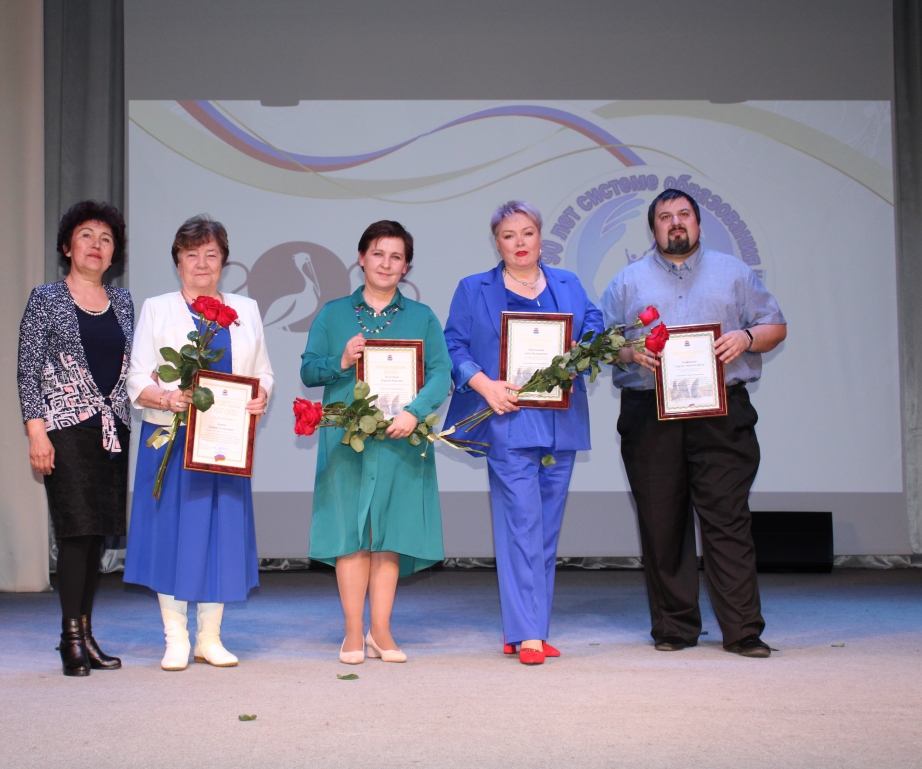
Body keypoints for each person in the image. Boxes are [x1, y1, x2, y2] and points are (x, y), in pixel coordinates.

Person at [600, 188, 787, 658]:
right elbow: (600, 344)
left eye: (684, 214)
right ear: (654, 228)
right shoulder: (627, 281)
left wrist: (746, 337)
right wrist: (630, 352)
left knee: (728, 520)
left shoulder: (734, 273)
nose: (675, 222)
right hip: (649, 414)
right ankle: (674, 627)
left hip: (722, 413)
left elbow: (775, 326)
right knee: (661, 523)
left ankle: (743, 631)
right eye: (665, 217)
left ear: (699, 223)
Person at [444, 201, 603, 665]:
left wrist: (583, 350)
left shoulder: (568, 284)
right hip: (507, 420)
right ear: (497, 242)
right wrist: (484, 385)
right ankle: (528, 633)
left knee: (546, 529)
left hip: (561, 422)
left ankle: (531, 627)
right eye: (509, 235)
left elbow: (594, 323)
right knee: (521, 523)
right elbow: (453, 345)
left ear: (540, 237)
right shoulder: (474, 288)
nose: (519, 242)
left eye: (527, 232)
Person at [124, 215, 273, 671]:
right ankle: (176, 637)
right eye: (192, 255)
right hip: (170, 439)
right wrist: (168, 397)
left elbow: (262, 372)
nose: (202, 264)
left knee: (222, 534)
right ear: (178, 262)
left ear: (224, 261)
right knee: (171, 533)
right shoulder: (157, 308)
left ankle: (210, 637)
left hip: (224, 442)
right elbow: (136, 378)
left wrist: (262, 396)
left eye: (211, 254)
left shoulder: (246, 309)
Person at [300, 220, 450, 665]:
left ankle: (380, 631)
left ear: (406, 267)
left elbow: (441, 372)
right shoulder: (333, 314)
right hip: (347, 440)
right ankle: (352, 631)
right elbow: (309, 370)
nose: (386, 264)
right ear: (361, 259)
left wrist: (414, 412)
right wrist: (341, 360)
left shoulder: (422, 317)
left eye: (396, 257)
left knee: (389, 535)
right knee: (351, 535)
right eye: (378, 254)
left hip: (402, 438)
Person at [17, 200, 132, 677]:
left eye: (106, 239)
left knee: (97, 534)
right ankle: (69, 639)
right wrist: (36, 432)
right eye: (86, 236)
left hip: (112, 431)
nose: (96, 245)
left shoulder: (123, 302)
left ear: (113, 254)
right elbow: (28, 372)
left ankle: (85, 634)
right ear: (67, 246)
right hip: (63, 429)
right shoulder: (45, 298)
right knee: (75, 532)